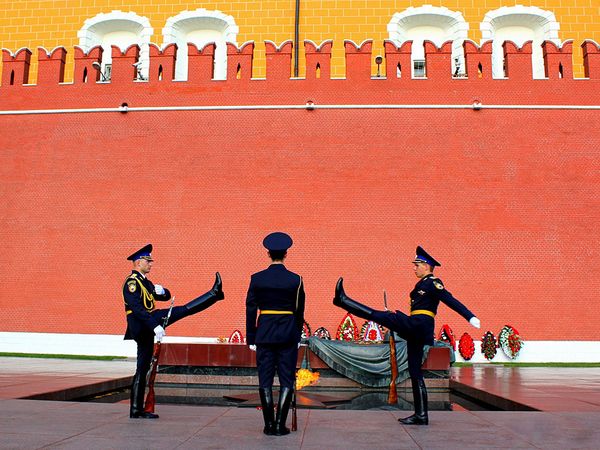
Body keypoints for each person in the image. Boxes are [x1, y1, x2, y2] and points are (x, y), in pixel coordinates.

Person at [333, 246, 480, 426]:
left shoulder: (433, 283)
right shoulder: (421, 284)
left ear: (426, 266)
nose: (414, 268)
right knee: (415, 372)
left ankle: (343, 301)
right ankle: (421, 415)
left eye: (417, 264)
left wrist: (470, 316)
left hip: (419, 325)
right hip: (415, 328)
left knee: (385, 317)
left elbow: (451, 300)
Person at [123, 244, 224, 419]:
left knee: (143, 366)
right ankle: (213, 294)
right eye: (148, 261)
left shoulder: (145, 282)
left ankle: (135, 409)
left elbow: (165, 296)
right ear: (138, 263)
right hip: (141, 324)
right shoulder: (132, 283)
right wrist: (154, 326)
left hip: (147, 322)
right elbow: (137, 309)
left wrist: (162, 291)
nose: (151, 264)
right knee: (182, 310)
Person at [246, 232, 305, 436]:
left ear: (268, 253)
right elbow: (299, 311)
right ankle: (280, 425)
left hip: (264, 334)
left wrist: (251, 337)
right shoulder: (296, 280)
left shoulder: (257, 279)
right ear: (286, 254)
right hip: (288, 333)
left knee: (265, 379)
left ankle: (268, 425)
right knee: (287, 379)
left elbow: (250, 309)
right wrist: (297, 335)